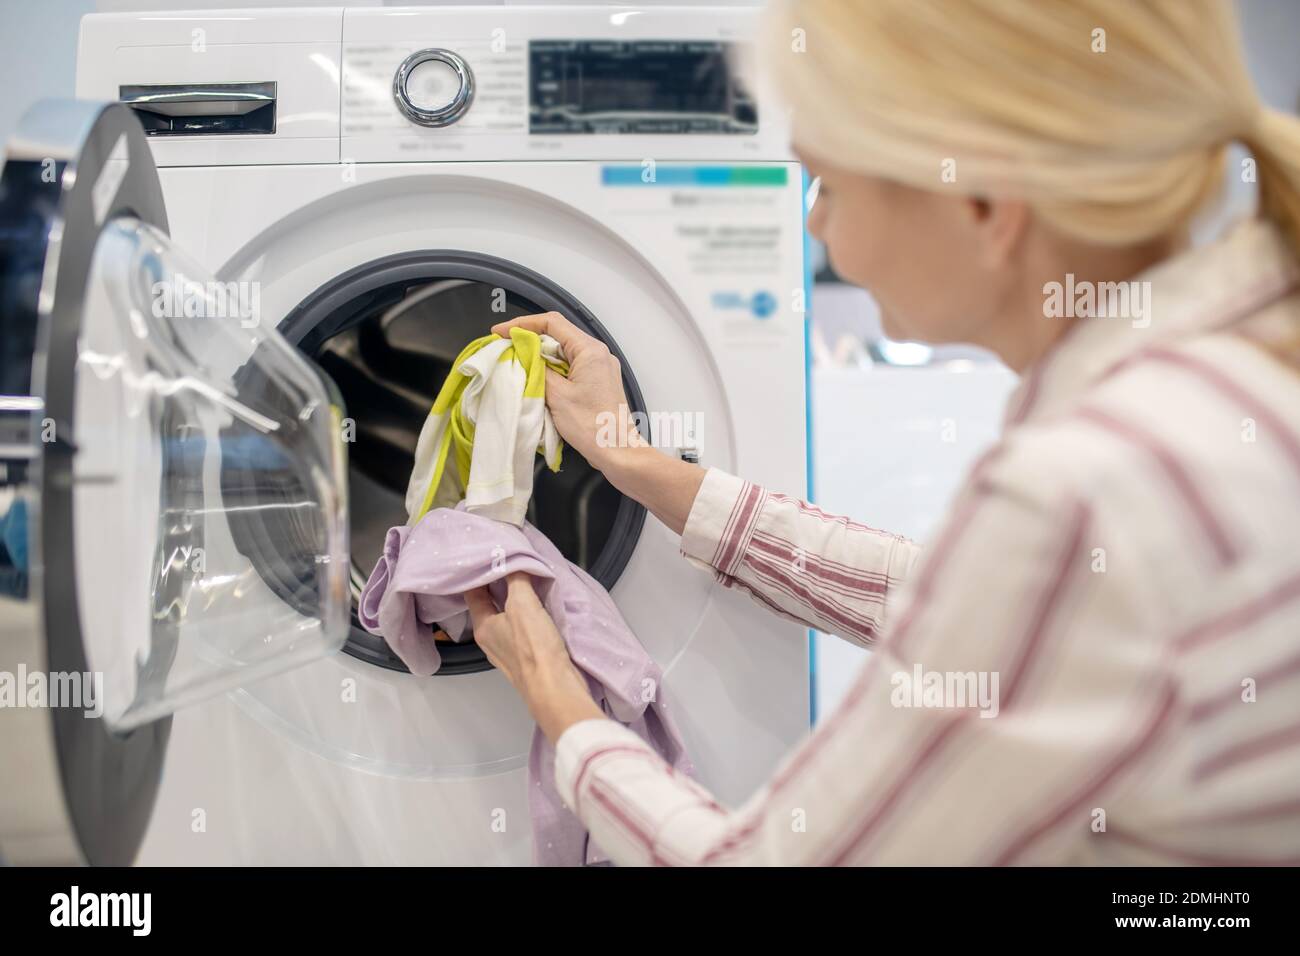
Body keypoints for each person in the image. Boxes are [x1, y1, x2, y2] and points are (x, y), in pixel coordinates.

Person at [462, 0, 1300, 865]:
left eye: (828, 181)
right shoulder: (1238, 368)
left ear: (982, 198)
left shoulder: (1086, 489)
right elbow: (944, 597)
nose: (817, 224)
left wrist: (558, 696)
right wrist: (632, 460)